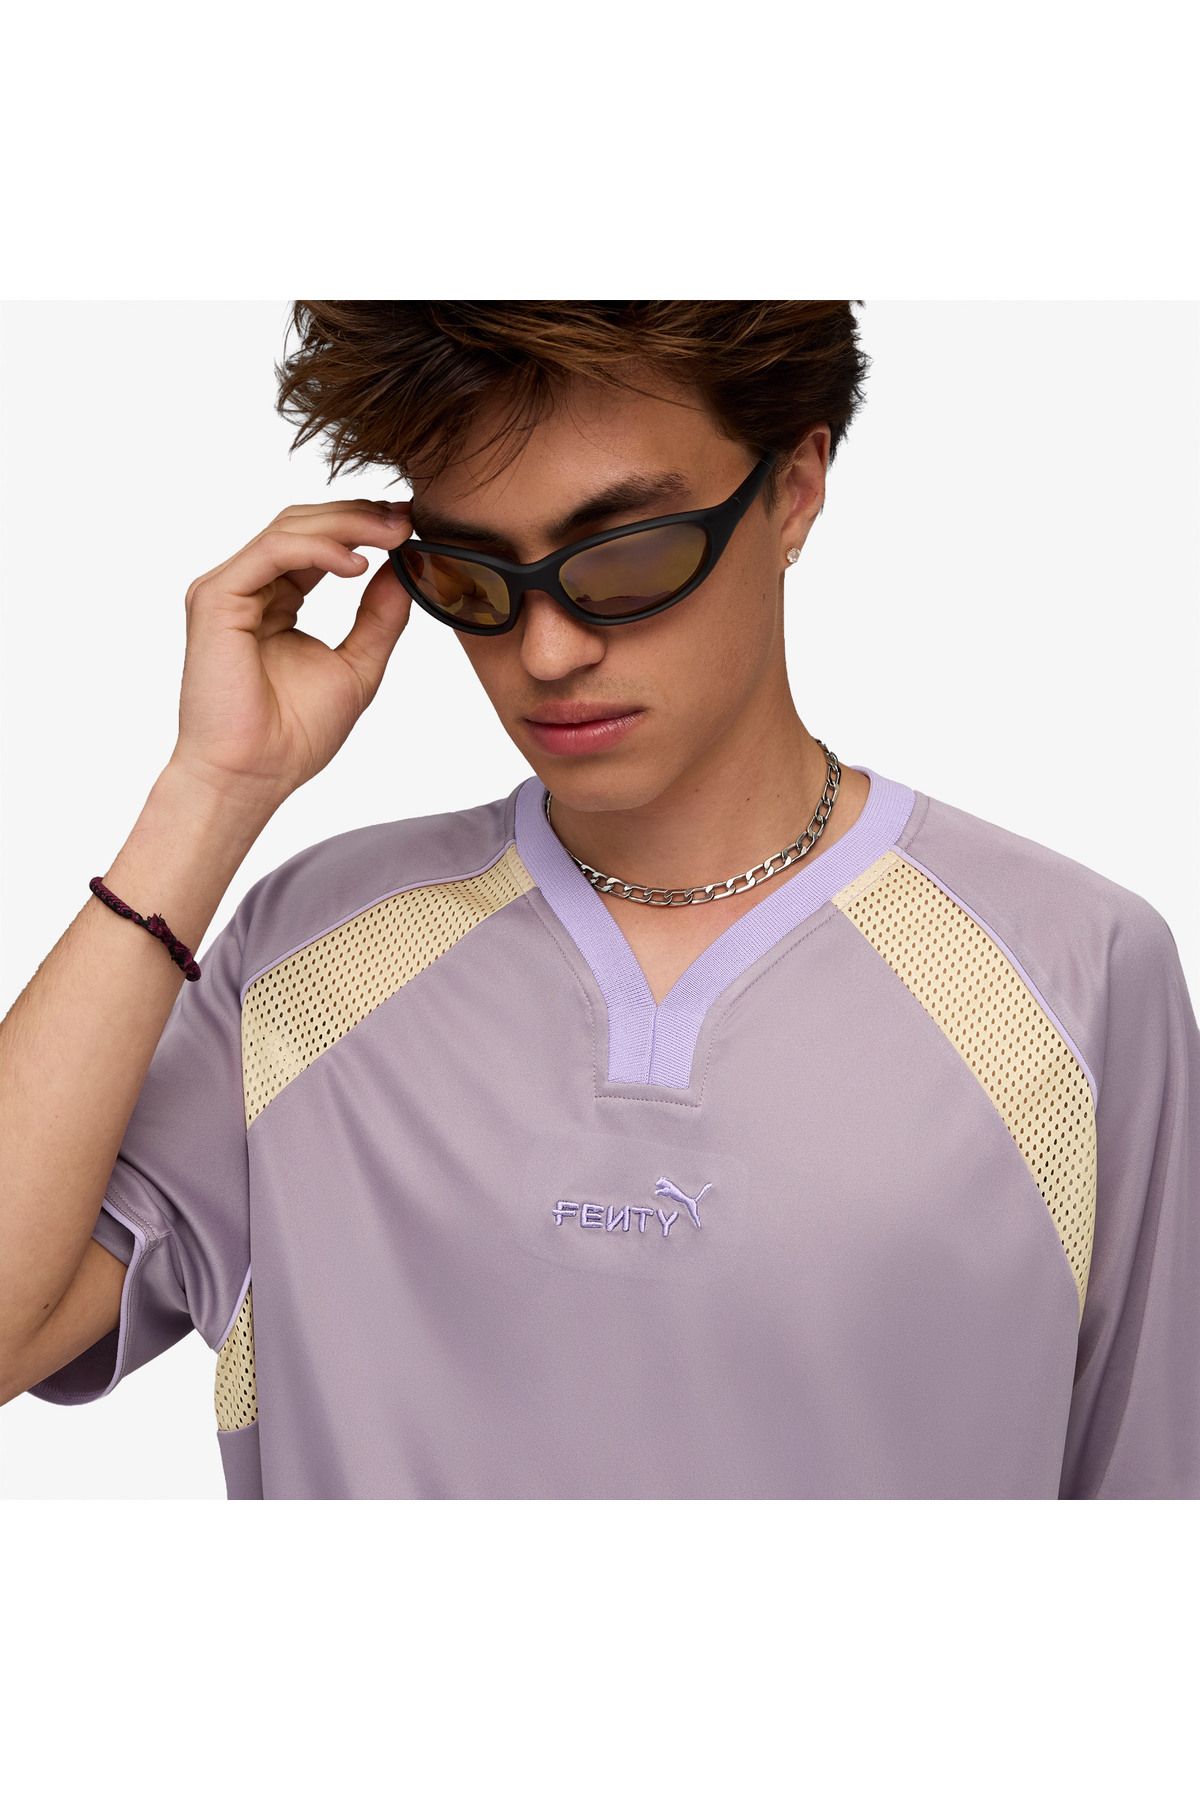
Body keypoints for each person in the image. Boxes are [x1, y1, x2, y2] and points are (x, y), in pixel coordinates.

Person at [1, 300, 1196, 1500]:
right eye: (474, 577)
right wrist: (212, 791)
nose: (547, 651)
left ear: (794, 490)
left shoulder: (1076, 973)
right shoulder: (307, 957)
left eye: (624, 558)